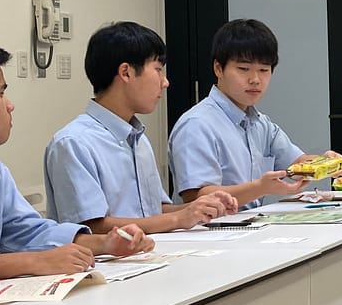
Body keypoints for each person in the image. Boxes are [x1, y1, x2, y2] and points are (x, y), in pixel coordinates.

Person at [0, 37, 151, 282]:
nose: (10, 105)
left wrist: (105, 243)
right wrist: (35, 261)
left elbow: (29, 232)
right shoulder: (73, 140)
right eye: (1, 93)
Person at [45, 22, 238, 232]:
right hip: (111, 254)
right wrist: (178, 219)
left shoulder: (138, 138)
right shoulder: (74, 143)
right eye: (158, 70)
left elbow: (154, 211)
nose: (165, 82)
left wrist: (202, 207)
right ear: (126, 73)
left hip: (154, 249)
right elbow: (91, 227)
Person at [169, 18, 342, 209]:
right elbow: (195, 198)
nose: (255, 79)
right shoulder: (196, 124)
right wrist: (259, 188)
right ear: (218, 68)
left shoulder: (261, 124)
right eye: (243, 69)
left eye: (264, 70)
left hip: (251, 222)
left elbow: (297, 164)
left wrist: (325, 163)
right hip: (210, 226)